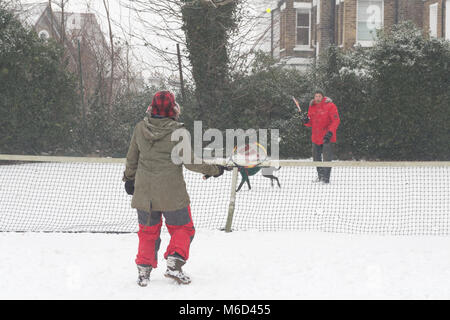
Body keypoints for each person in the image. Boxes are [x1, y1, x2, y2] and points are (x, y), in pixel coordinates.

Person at [123, 90, 224, 286]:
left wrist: (129, 179)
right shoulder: (179, 132)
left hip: (145, 193)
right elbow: (190, 161)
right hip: (172, 193)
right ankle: (174, 263)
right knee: (183, 229)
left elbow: (132, 158)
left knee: (147, 231)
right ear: (173, 109)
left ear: (151, 108)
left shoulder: (139, 128)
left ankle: (144, 270)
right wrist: (214, 169)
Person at [299, 90, 340, 184]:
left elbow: (336, 121)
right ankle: (320, 176)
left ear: (323, 97)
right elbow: (310, 122)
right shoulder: (312, 106)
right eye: (316, 96)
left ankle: (325, 179)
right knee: (316, 158)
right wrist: (306, 121)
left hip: (327, 137)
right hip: (315, 137)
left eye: (319, 96)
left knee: (327, 159)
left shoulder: (330, 106)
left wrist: (330, 133)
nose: (317, 98)